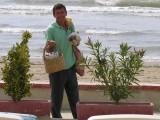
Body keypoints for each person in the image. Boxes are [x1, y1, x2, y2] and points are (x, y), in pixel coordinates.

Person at [44, 3, 79, 119]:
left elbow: (75, 43)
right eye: (57, 13)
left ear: (66, 13)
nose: (60, 15)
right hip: (57, 69)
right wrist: (50, 46)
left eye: (62, 12)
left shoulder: (70, 25)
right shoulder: (51, 29)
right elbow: (47, 52)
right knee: (56, 102)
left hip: (71, 67)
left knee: (75, 100)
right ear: (54, 15)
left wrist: (77, 40)